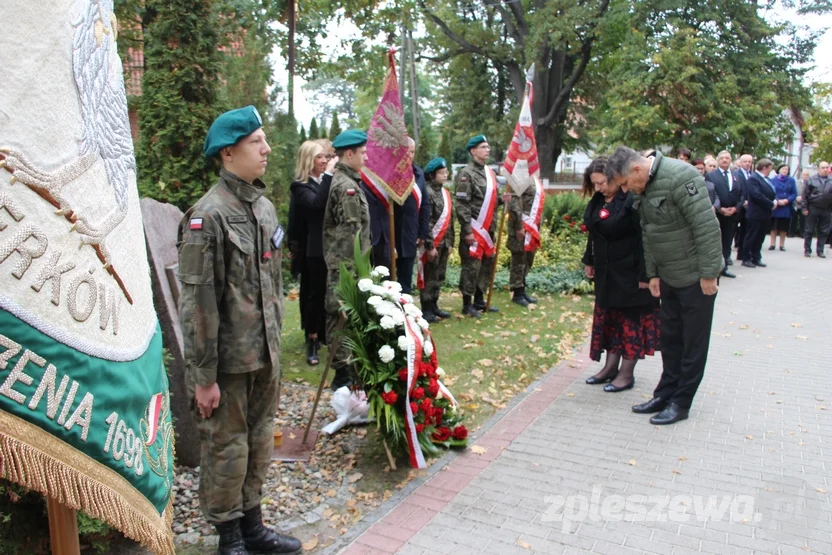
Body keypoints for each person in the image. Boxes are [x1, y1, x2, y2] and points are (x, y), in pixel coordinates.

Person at [178, 106, 302, 555]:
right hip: (228, 362)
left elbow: (270, 283)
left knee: (258, 442)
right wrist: (203, 378)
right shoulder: (206, 217)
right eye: (256, 142)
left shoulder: (263, 207)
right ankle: (228, 537)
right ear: (228, 153)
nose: (267, 149)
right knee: (226, 449)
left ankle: (253, 527)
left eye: (264, 140)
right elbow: (197, 304)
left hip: (265, 354)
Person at [605, 146, 722, 425]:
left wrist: (709, 273)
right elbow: (649, 232)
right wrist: (653, 273)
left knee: (692, 341)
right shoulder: (644, 187)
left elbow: (706, 226)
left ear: (636, 169)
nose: (626, 190)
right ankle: (665, 392)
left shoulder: (681, 175)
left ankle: (682, 402)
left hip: (696, 278)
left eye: (625, 184)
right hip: (669, 277)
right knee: (669, 340)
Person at [581, 157, 660, 393]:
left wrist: (647, 274)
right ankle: (610, 367)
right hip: (607, 272)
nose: (599, 188)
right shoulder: (598, 200)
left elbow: (644, 237)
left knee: (629, 323)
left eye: (602, 182)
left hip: (631, 273)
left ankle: (626, 374)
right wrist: (589, 259)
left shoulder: (632, 200)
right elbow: (593, 234)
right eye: (594, 184)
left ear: (616, 177)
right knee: (611, 321)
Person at [323, 130, 372, 390]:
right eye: (362, 152)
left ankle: (351, 370)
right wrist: (351, 273)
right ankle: (342, 374)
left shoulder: (351, 180)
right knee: (340, 315)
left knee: (349, 318)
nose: (366, 156)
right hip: (346, 265)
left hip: (351, 264)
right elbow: (350, 233)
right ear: (349, 153)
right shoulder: (347, 187)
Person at [288, 141, 337, 365]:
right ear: (309, 160)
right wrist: (328, 175)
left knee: (329, 295)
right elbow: (317, 205)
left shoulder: (326, 181)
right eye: (319, 157)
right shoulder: (300, 186)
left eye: (326, 157)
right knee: (313, 296)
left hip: (330, 247)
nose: (325, 161)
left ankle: (326, 333)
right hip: (312, 250)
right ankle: (312, 338)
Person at [455, 135, 503, 317]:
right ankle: (467, 304)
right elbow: (462, 204)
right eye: (483, 147)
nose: (488, 150)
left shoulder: (490, 173)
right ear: (473, 151)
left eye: (488, 146)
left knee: (486, 265)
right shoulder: (466, 174)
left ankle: (480, 300)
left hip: (489, 229)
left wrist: (501, 200)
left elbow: (490, 200)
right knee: (471, 266)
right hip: (474, 229)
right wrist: (467, 230)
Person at [418, 157, 455, 322]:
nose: (445, 175)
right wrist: (430, 245)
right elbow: (427, 221)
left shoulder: (445, 193)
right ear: (432, 175)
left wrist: (450, 243)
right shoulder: (427, 192)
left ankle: (434, 305)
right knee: (429, 275)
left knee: (439, 275)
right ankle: (426, 309)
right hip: (432, 243)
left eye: (446, 172)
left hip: (444, 242)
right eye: (441, 173)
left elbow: (450, 221)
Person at [394, 138, 430, 293]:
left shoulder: (419, 173)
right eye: (406, 151)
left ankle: (405, 312)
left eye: (412, 151)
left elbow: (425, 205)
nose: (409, 155)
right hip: (392, 232)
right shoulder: (389, 174)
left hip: (410, 233)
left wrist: (423, 233)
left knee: (405, 280)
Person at [506, 169, 543, 307]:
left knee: (527, 259)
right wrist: (518, 226)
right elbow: (514, 203)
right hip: (521, 226)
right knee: (519, 259)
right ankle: (517, 292)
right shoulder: (518, 175)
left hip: (531, 227)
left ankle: (522, 289)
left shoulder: (533, 177)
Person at [707, 150, 742, 279]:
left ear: (731, 160)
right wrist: (720, 208)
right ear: (717, 160)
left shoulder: (736, 175)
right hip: (718, 214)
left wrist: (736, 208)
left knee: (727, 242)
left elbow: (742, 194)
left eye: (727, 158)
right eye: (722, 158)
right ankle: (715, 268)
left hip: (732, 215)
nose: (724, 160)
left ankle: (725, 267)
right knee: (717, 242)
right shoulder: (711, 176)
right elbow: (712, 193)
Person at [740, 158, 776, 268]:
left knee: (760, 236)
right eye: (770, 168)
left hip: (765, 213)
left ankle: (756, 257)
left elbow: (771, 192)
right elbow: (756, 195)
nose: (771, 170)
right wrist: (771, 203)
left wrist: (774, 201)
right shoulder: (753, 178)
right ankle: (746, 257)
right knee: (752, 235)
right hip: (755, 212)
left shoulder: (766, 179)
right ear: (765, 168)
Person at [801, 161, 831, 258]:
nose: (825, 169)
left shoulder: (831, 180)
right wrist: (804, 208)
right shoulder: (811, 179)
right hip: (813, 207)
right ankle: (807, 250)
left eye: (827, 167)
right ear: (818, 168)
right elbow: (805, 195)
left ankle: (820, 250)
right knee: (809, 230)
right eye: (823, 167)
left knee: (823, 231)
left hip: (826, 209)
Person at [768, 164, 797, 252]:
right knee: (774, 226)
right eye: (783, 169)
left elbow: (794, 193)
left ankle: (782, 245)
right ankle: (772, 244)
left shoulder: (791, 180)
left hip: (786, 206)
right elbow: (770, 192)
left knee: (784, 226)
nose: (785, 171)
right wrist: (777, 200)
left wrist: (787, 200)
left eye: (787, 169)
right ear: (779, 170)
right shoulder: (773, 180)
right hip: (776, 205)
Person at [734, 154, 754, 255]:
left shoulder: (752, 174)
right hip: (739, 206)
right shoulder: (736, 174)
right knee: (733, 230)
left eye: (749, 162)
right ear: (740, 163)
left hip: (749, 207)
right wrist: (742, 201)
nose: (747, 164)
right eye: (745, 162)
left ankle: (742, 253)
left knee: (745, 230)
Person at [790, 168, 811, 237]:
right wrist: (796, 198)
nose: (805, 176)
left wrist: (803, 199)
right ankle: (791, 233)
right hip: (796, 203)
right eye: (804, 174)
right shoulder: (796, 182)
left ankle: (802, 233)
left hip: (804, 204)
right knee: (793, 219)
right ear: (802, 175)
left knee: (803, 220)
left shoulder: (810, 183)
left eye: (807, 175)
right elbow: (793, 191)